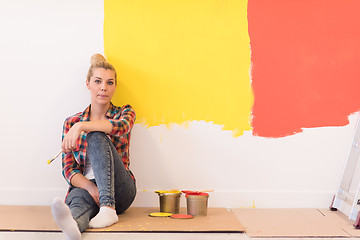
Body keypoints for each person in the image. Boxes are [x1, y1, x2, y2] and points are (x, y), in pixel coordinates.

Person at [50, 53, 136, 240]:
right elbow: (68, 169)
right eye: (98, 81)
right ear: (88, 83)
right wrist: (90, 187)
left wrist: (81, 127)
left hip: (120, 189)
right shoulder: (70, 122)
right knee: (78, 202)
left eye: (110, 83)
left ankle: (108, 208)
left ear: (114, 86)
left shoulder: (124, 112)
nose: (103, 88)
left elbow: (121, 127)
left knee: (96, 135)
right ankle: (73, 227)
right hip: (88, 187)